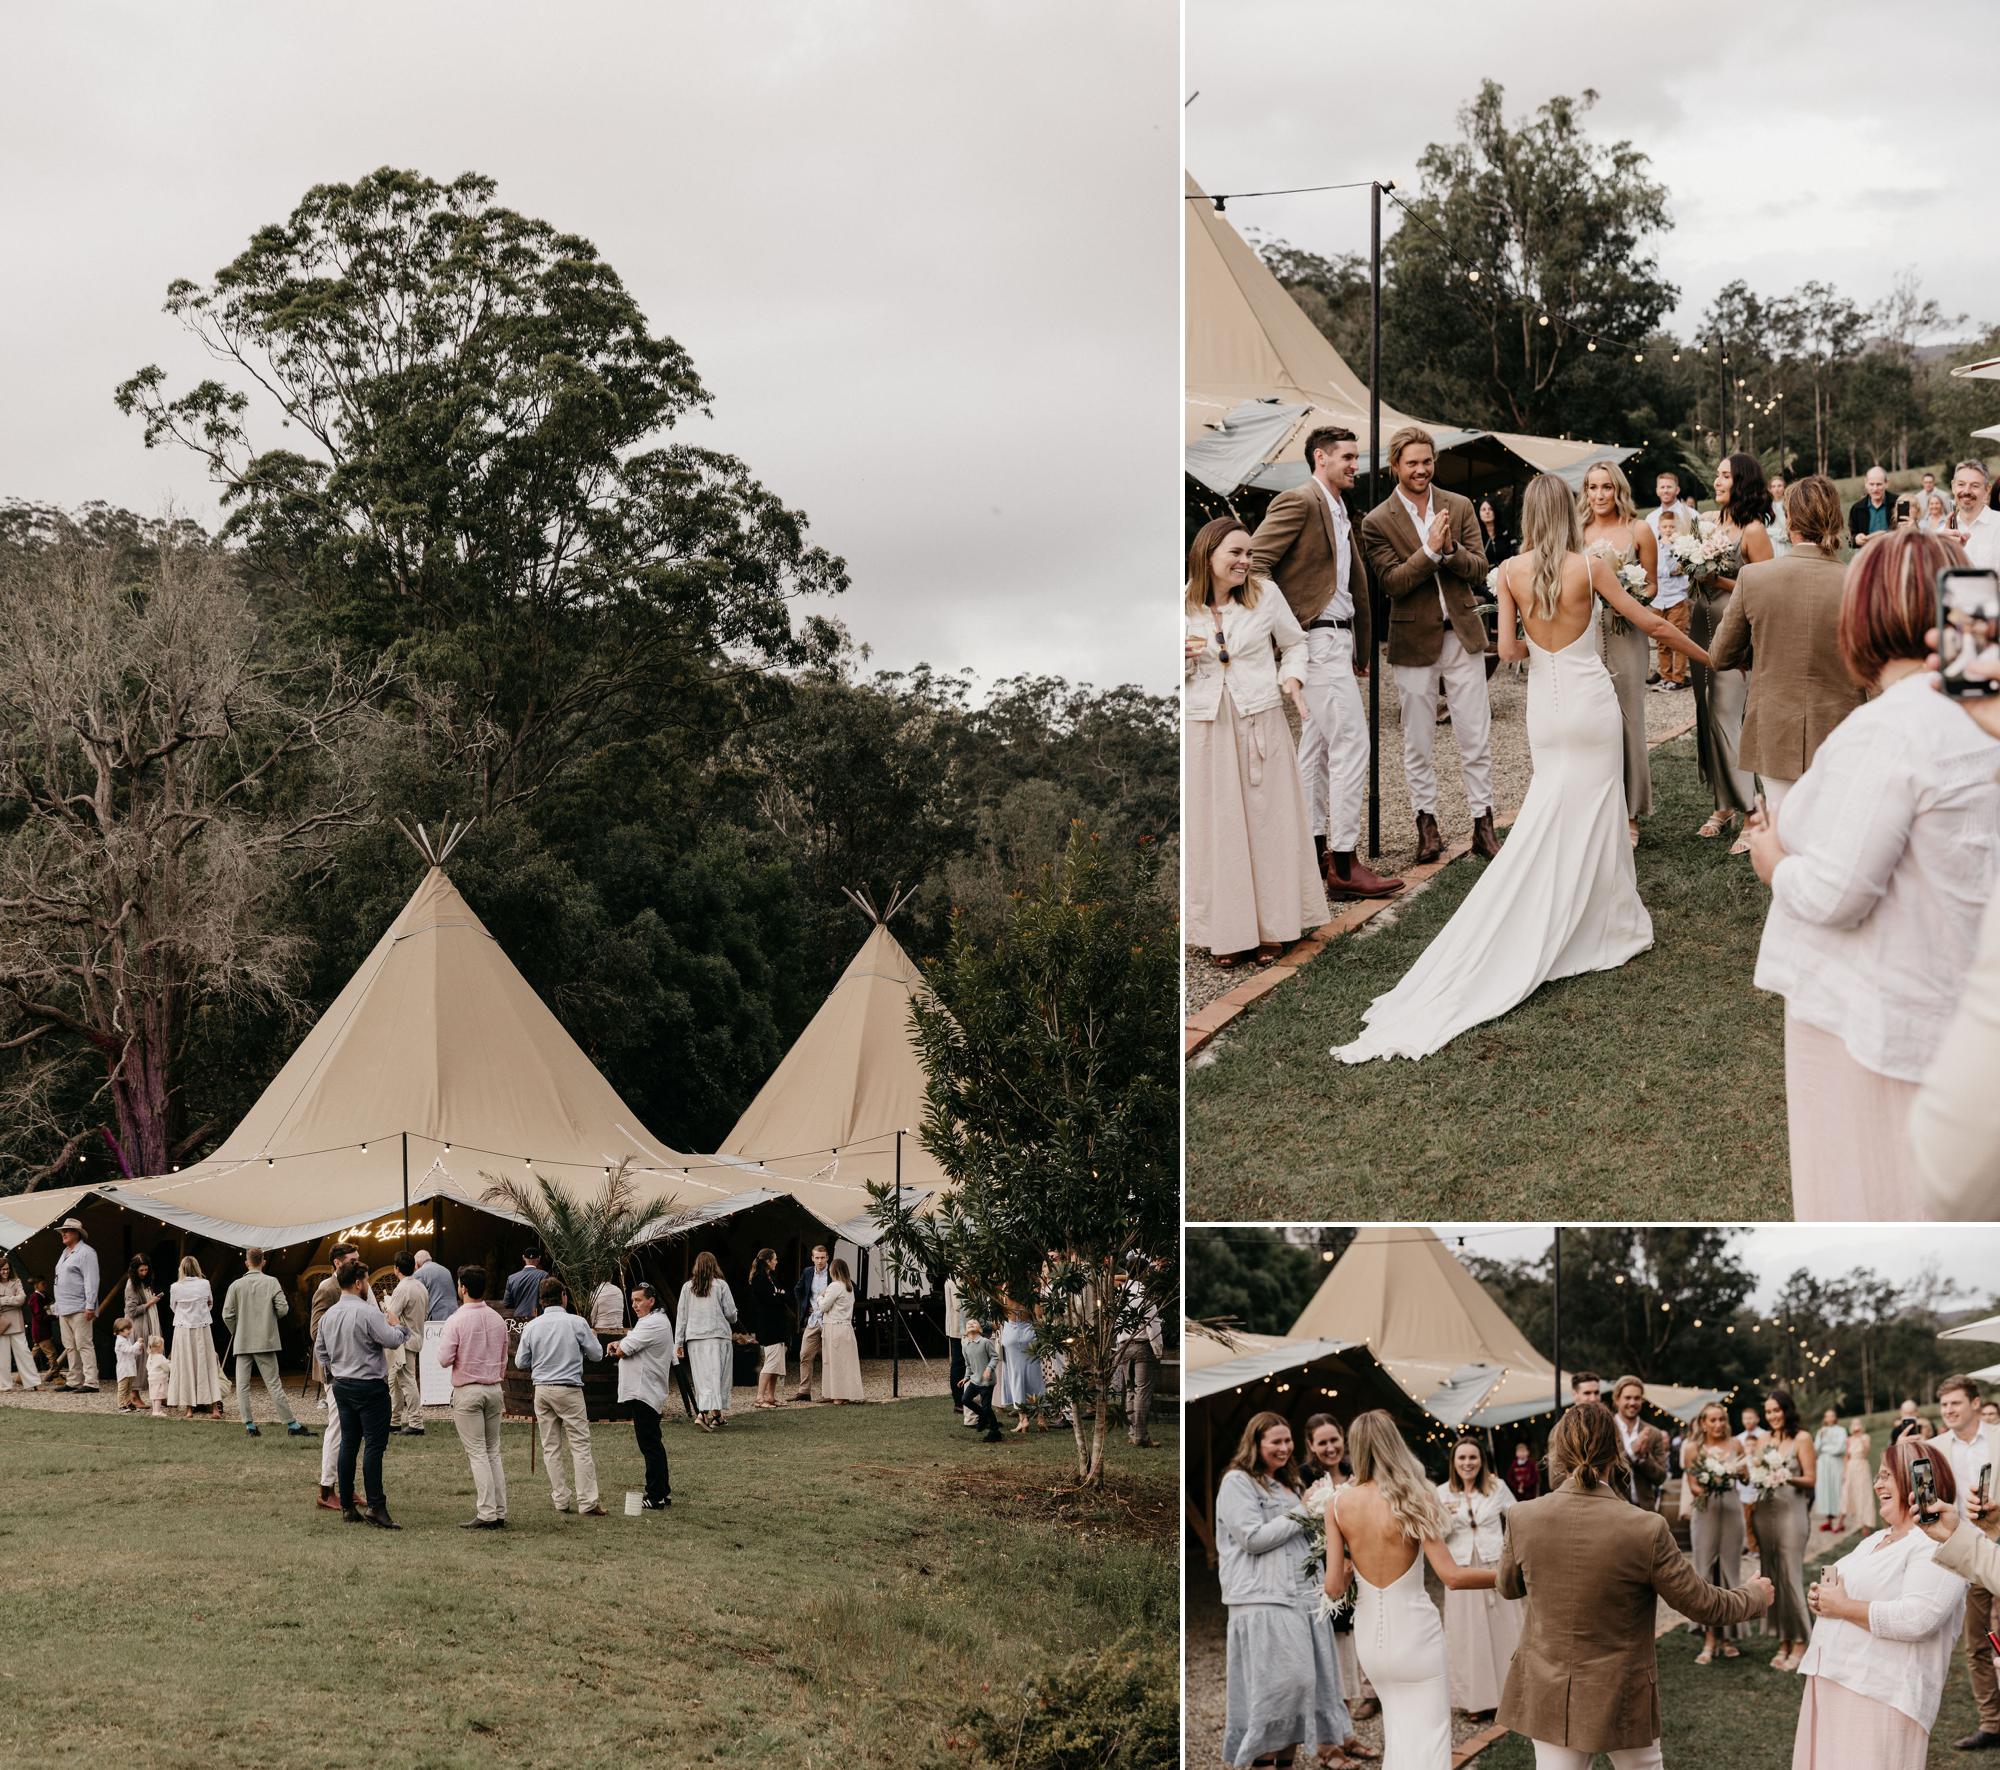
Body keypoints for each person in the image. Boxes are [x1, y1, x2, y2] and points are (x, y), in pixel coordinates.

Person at [1333, 473, 1707, 1064]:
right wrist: (1714, 658)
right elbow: (1654, 624)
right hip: (1591, 703)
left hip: (1546, 709)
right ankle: (1604, 920)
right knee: (1598, 808)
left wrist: (1543, 646)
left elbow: (1505, 651)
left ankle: (1556, 910)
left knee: (1550, 807)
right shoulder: (1590, 567)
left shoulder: (1508, 572)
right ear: (1570, 511)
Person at [1744, 529, 2000, 1216]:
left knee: (1868, 1195)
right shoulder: (1985, 718)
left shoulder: (1889, 729)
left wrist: (1774, 864)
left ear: (1863, 614)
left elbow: (1835, 893)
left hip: (1881, 1026)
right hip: (1962, 1008)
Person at [1500, 1401, 1770, 1769]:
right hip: (1620, 1693)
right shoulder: (1645, 1527)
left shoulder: (1522, 1517)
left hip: (1548, 1689)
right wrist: (1753, 1596)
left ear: (1557, 1453)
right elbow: (1702, 1604)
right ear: (1616, 1454)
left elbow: (1508, 1587)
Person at [1250, 425, 1404, 903]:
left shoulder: (1339, 508)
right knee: (1352, 743)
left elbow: (1350, 583)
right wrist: (1287, 631)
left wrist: (1360, 646)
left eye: (1356, 457)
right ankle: (1344, 861)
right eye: (1348, 457)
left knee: (1315, 751)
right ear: (1320, 458)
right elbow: (1253, 562)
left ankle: (1315, 852)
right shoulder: (1300, 501)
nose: (1356, 465)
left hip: (1338, 642)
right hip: (1313, 641)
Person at [1185, 516, 1329, 964]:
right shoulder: (1180, 608)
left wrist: (1292, 680)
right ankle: (1228, 934)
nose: (1246, 561)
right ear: (1208, 557)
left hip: (1260, 719)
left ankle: (1274, 927)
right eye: (1236, 553)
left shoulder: (1266, 596)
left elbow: (1296, 644)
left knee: (1269, 824)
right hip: (1207, 728)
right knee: (1218, 829)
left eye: (1249, 553)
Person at [1320, 1410, 1496, 1768]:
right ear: (1394, 1445)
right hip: (1417, 1637)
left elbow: (1334, 1587)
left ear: (1356, 1447)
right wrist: (1511, 1576)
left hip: (1372, 1639)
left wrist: (1357, 1564)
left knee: (1398, 1734)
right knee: (1430, 1741)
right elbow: (1452, 1576)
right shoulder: (1415, 1497)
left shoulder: (1336, 1503)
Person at [1358, 425, 1498, 866]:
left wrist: (1451, 548)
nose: (1421, 470)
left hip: (1462, 635)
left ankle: (1483, 823)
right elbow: (1393, 582)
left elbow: (1480, 569)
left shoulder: (1458, 505)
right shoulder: (1377, 521)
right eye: (1412, 463)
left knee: (1474, 733)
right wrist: (1430, 553)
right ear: (1395, 466)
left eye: (1427, 461)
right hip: (1412, 640)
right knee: (1417, 739)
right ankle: (1427, 825)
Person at [1793, 1435, 1969, 1767]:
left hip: (1882, 1693)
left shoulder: (1939, 1544)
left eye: (1886, 1475)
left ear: (1918, 1481)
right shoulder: (1877, 1538)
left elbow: (1918, 1618)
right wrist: (1824, 1598)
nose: (1877, 1484)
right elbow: (1850, 1589)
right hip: (1833, 1679)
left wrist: (1843, 1607)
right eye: (1877, 1475)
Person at [1708, 474, 1869, 822]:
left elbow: (1720, 656)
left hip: (1774, 728)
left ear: (1791, 521)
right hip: (1843, 730)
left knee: (1785, 833)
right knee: (1835, 833)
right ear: (1836, 520)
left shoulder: (1755, 578)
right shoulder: (1860, 582)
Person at [1218, 1412, 1317, 1770]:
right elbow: (1252, 1538)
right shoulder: (1238, 1482)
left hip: (1296, 1596)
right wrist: (1304, 1512)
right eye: (1276, 1441)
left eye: (1288, 1440)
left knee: (1299, 1688)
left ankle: (1285, 1764)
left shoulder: (1288, 1484)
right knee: (1271, 1694)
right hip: (1258, 1597)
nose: (1284, 1447)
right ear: (1256, 1443)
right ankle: (1260, 1761)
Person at [1690, 453, 1774, 849]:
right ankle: (1723, 804)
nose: (1718, 480)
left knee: (1726, 716)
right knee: (1707, 714)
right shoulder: (1707, 523)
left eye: (1725, 475)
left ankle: (1752, 814)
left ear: (1741, 482)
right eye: (1718, 474)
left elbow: (1766, 587)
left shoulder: (1753, 531)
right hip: (1700, 624)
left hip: (1735, 631)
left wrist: (1718, 580)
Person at [1579, 461, 1660, 844]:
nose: (1598, 495)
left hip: (1626, 633)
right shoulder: (1575, 530)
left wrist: (1626, 591)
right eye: (1592, 487)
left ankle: (1630, 815)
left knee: (1629, 719)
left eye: (1606, 488)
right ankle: (1596, 809)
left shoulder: (1638, 529)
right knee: (1591, 721)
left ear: (1618, 490)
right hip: (1584, 633)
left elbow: (1654, 587)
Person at [1929, 1374, 2000, 1750]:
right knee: (1977, 1643)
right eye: (1943, 1405)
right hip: (1964, 1554)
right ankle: (1991, 1723)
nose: (1949, 1411)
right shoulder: (1935, 1446)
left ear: (1975, 1402)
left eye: (1955, 1403)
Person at [312, 1257, 407, 1528]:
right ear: (357, 1283)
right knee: (374, 1447)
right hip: (369, 1386)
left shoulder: (330, 1316)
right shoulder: (368, 1313)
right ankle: (376, 1506)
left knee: (349, 1445)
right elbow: (390, 1340)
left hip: (342, 1385)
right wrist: (398, 1325)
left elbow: (320, 1350)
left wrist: (332, 1376)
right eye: (365, 1280)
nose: (367, 1285)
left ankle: (346, 1506)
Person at [1300, 1416, 1378, 1738]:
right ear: (1311, 1446)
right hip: (1324, 1570)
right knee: (1336, 1644)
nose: (1330, 1448)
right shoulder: (1305, 1479)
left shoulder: (1357, 1472)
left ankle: (1369, 1696)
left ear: (1343, 1438)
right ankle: (1337, 1728)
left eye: (1335, 1440)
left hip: (1362, 1565)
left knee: (1366, 1629)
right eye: (1322, 1443)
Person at [1436, 1437, 1520, 1720]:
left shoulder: (1496, 1488)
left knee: (1503, 1630)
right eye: (1462, 1458)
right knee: (1467, 1636)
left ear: (1481, 1461)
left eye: (1473, 1458)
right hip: (1460, 1570)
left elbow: (1519, 1518)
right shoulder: (1441, 1493)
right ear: (1453, 1463)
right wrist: (1443, 1518)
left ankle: (1509, 1696)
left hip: (1493, 1565)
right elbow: (1435, 1536)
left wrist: (1512, 1551)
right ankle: (1476, 1700)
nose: (1467, 1463)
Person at [515, 1274, 605, 1516]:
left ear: (541, 1301)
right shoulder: (577, 1323)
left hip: (542, 1389)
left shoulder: (532, 1326)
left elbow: (520, 1361)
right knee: (580, 1445)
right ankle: (587, 1501)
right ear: (563, 1297)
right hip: (568, 1388)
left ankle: (561, 1499)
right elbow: (597, 1355)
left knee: (551, 1447)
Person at [435, 1263, 510, 1529]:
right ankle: (499, 1510)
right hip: (493, 1388)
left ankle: (487, 1512)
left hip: (468, 1389)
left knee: (478, 1452)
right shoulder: (497, 1318)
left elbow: (444, 1358)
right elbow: (504, 1357)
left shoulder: (457, 1319)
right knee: (493, 1451)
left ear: (463, 1288)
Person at [1754, 1387, 1818, 1671]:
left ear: (1786, 1410)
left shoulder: (1801, 1438)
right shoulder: (1762, 1440)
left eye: (1776, 1410)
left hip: (1792, 1514)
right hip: (1765, 1513)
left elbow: (1811, 1479)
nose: (1772, 1416)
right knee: (1771, 1577)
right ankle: (1783, 1640)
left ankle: (1802, 1641)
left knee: (1790, 1577)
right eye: (1768, 1412)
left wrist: (1787, 1477)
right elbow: (1756, 1473)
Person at [1681, 1401, 1748, 1665]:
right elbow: (1694, 1487)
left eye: (1721, 1419)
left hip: (1732, 1511)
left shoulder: (1736, 1445)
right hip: (1706, 1511)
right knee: (1705, 1573)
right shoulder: (1692, 1448)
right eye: (1712, 1420)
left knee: (1730, 1572)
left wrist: (1741, 1473)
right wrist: (1712, 1480)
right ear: (1703, 1423)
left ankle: (1728, 1637)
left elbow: (1746, 1479)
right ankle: (1709, 1637)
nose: (1718, 1425)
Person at [221, 1246, 307, 1437]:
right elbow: (283, 1309)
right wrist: (270, 1319)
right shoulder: (271, 1282)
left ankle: (249, 1425)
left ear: (246, 1263)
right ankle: (292, 1424)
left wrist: (238, 1330)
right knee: (274, 1384)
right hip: (265, 1340)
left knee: (242, 1386)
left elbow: (227, 1314)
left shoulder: (236, 1285)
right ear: (263, 1262)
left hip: (243, 1341)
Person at [607, 1281, 676, 1510]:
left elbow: (624, 1350)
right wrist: (622, 1343)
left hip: (644, 1390)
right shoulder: (651, 1322)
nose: (634, 1305)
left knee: (650, 1445)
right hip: (646, 1389)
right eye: (632, 1300)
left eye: (639, 1300)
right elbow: (629, 1344)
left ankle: (655, 1495)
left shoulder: (652, 1324)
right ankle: (662, 1492)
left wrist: (619, 1346)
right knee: (653, 1442)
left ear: (651, 1301)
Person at [309, 1241, 362, 1510]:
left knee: (353, 1431)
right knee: (338, 1428)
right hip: (335, 1370)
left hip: (355, 1370)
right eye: (352, 1260)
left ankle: (347, 1487)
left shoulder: (357, 1286)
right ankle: (326, 1489)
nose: (358, 1263)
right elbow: (316, 1331)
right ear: (338, 1263)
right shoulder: (326, 1289)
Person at [1644, 471, 1699, 691]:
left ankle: (1679, 675)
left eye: (1669, 487)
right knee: (1659, 632)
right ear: (1657, 490)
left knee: (1678, 631)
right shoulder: (1650, 518)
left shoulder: (1690, 515)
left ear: (1677, 489)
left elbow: (1698, 547)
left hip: (1679, 585)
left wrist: (1684, 568)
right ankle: (1664, 671)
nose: (1665, 490)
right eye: (1662, 487)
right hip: (1657, 584)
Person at [674, 1250, 738, 1429]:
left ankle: (717, 1415)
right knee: (718, 1376)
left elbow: (682, 1316)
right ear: (714, 1265)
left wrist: (678, 1342)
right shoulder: (721, 1285)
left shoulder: (687, 1287)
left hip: (695, 1338)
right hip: (717, 1336)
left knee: (702, 1377)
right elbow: (731, 1314)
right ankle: (702, 1413)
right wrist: (733, 1317)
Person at [166, 1255, 223, 1419]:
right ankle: (214, 1408)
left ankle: (189, 1408)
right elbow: (210, 1304)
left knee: (186, 1364)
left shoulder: (175, 1287)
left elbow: (173, 1307)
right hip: (202, 1327)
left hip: (183, 1329)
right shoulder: (205, 1284)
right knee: (207, 1364)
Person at [1111, 1263, 1160, 1448]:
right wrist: (1157, 1348)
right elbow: (1152, 1323)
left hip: (1123, 1345)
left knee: (1131, 1389)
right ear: (1144, 1272)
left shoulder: (1119, 1293)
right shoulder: (1144, 1292)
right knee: (1142, 1391)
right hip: (1141, 1345)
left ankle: (1133, 1433)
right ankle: (1140, 1436)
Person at [51, 1216, 101, 1394]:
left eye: (67, 1231)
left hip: (80, 1306)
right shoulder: (64, 1253)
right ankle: (74, 1380)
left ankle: (91, 1381)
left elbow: (91, 1280)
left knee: (84, 1344)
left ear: (77, 1234)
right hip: (64, 1307)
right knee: (70, 1346)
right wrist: (57, 1306)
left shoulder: (87, 1253)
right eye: (63, 1231)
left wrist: (90, 1305)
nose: (63, 1234)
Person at [383, 1250, 429, 1436]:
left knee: (406, 1380)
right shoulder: (421, 1287)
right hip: (416, 1335)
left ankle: (416, 1423)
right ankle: (394, 1421)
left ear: (396, 1269)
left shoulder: (402, 1288)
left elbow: (391, 1315)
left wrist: (385, 1305)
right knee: (395, 1380)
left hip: (404, 1339)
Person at [1609, 1377, 1669, 1511]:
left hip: (1645, 1509)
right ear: (1617, 1399)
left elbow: (1661, 1478)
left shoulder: (1653, 1433)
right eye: (1628, 1398)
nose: (1632, 1402)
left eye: (1637, 1398)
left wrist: (1644, 1459)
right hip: (1614, 1508)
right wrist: (1632, 1452)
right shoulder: (1606, 1429)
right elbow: (1605, 1471)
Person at [746, 1248, 790, 1409]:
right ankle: (759, 1397)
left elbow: (785, 1295)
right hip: (768, 1325)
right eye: (775, 1259)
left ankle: (770, 1396)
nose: (777, 1262)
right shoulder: (759, 1279)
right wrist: (778, 1296)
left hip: (778, 1324)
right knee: (771, 1361)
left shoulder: (771, 1277)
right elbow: (768, 1300)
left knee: (777, 1362)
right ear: (768, 1261)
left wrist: (779, 1295)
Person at [817, 1257, 864, 1405]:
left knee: (835, 1362)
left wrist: (820, 1297)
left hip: (835, 1327)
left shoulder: (835, 1286)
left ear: (833, 1270)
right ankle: (844, 1393)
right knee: (845, 1362)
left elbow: (824, 1307)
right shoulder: (849, 1286)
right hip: (846, 1327)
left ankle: (837, 1395)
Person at [997, 1303, 1046, 1432]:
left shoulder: (1005, 1292)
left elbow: (1000, 1312)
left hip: (1011, 1332)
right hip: (1028, 1331)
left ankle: (1023, 1419)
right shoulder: (1031, 1291)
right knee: (1034, 1376)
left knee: (1015, 1376)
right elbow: (1039, 1313)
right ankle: (1041, 1418)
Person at [791, 1243, 830, 1402]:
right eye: (817, 1258)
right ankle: (804, 1391)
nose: (820, 1261)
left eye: (822, 1258)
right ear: (812, 1258)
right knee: (805, 1354)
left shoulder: (833, 1272)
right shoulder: (808, 1272)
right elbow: (797, 1290)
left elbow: (851, 1289)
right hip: (813, 1320)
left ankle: (829, 1392)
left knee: (828, 1358)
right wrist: (804, 1305)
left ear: (827, 1258)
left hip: (828, 1320)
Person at [122, 1255, 163, 1400]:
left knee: (154, 1358)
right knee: (140, 1360)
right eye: (141, 1270)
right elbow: (131, 1311)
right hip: (139, 1326)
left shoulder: (145, 1282)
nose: (144, 1273)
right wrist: (150, 1303)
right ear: (135, 1270)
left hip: (149, 1322)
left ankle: (160, 1394)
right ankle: (134, 1395)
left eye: (146, 1270)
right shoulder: (131, 1285)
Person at [957, 1318, 1004, 1443]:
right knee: (965, 1399)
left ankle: (995, 1432)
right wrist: (966, 1377)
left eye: (974, 1323)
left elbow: (995, 1357)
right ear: (965, 1331)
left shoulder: (985, 1342)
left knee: (986, 1407)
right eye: (968, 1324)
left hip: (987, 1382)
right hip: (974, 1380)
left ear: (980, 1329)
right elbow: (968, 1365)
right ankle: (983, 1417)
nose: (971, 1324)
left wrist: (989, 1369)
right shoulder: (965, 1345)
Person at [1949, 460, 2000, 570]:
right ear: (1953, 486)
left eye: (1975, 486)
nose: (1967, 491)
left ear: (1987, 490)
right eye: (1961, 484)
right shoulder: (1942, 534)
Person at [0, 1255, 38, 1391]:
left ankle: (33, 1383)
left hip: (16, 1322)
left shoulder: (16, 1281)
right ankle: (4, 1385)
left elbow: (21, 1299)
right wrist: (11, 1300)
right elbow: (16, 1299)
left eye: (7, 1269)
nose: (5, 1272)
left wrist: (3, 1300)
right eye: (2, 1269)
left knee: (24, 1353)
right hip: (1, 1325)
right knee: (2, 1356)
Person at [1814, 1408, 1849, 1531]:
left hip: (1835, 1462)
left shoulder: (1841, 1430)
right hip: (1823, 1463)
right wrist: (1822, 1443)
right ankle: (1828, 1520)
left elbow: (1840, 1447)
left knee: (1836, 1487)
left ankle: (1839, 1521)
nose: (1829, 1418)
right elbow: (1816, 1448)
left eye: (1832, 1415)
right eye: (1827, 1416)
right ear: (1825, 1418)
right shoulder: (1821, 1431)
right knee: (1825, 1489)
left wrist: (1826, 1449)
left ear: (1835, 1417)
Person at [1843, 1420, 1877, 1533]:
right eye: (1854, 1425)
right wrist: (1845, 1472)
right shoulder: (1848, 1440)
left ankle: (1866, 1523)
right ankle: (1857, 1522)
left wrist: (1860, 1438)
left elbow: (1866, 1452)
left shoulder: (1865, 1437)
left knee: (1864, 1494)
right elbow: (1846, 1456)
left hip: (1862, 1466)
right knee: (1853, 1494)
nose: (1856, 1427)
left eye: (1858, 1425)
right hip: (1851, 1467)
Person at [1851, 465, 1896, 547]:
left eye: (1879, 484)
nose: (1875, 489)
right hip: (1868, 554)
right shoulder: (1856, 508)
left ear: (1886, 483)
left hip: (1894, 552)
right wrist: (1856, 539)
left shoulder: (1899, 503)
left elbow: (1908, 532)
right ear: (1866, 483)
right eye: (1871, 484)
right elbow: (1850, 537)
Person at [503, 1248, 552, 1320]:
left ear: (523, 1257)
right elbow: (548, 1299)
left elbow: (507, 1303)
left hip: (518, 1321)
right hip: (537, 1318)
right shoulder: (544, 1275)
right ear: (539, 1258)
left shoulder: (511, 1278)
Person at [1477, 494, 1516, 569]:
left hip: (1506, 572)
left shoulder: (1505, 531)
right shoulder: (1476, 534)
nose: (1487, 512)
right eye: (1483, 509)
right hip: (1485, 577)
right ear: (1479, 513)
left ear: (1495, 511)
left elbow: (1514, 553)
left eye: (1490, 509)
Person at [112, 1317, 142, 1410]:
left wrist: (139, 1349)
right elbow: (129, 1350)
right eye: (127, 1329)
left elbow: (133, 1352)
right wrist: (137, 1344)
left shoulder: (126, 1339)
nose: (129, 1331)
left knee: (129, 1388)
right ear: (120, 1330)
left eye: (129, 1328)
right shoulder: (120, 1341)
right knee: (122, 1388)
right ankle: (121, 1405)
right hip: (124, 1369)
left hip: (130, 1369)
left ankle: (128, 1403)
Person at [1768, 470, 1793, 554]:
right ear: (1770, 489)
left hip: (1787, 542)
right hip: (1772, 542)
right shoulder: (1767, 506)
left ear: (1784, 487)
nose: (1776, 489)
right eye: (1773, 486)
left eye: (1779, 486)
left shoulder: (1789, 504)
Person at [145, 1334, 170, 1417]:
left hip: (151, 1379)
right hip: (159, 1379)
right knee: (158, 1395)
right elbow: (166, 1367)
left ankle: (154, 1410)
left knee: (154, 1395)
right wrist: (171, 1364)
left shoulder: (150, 1356)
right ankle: (157, 1411)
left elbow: (147, 1366)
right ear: (159, 1347)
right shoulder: (160, 1357)